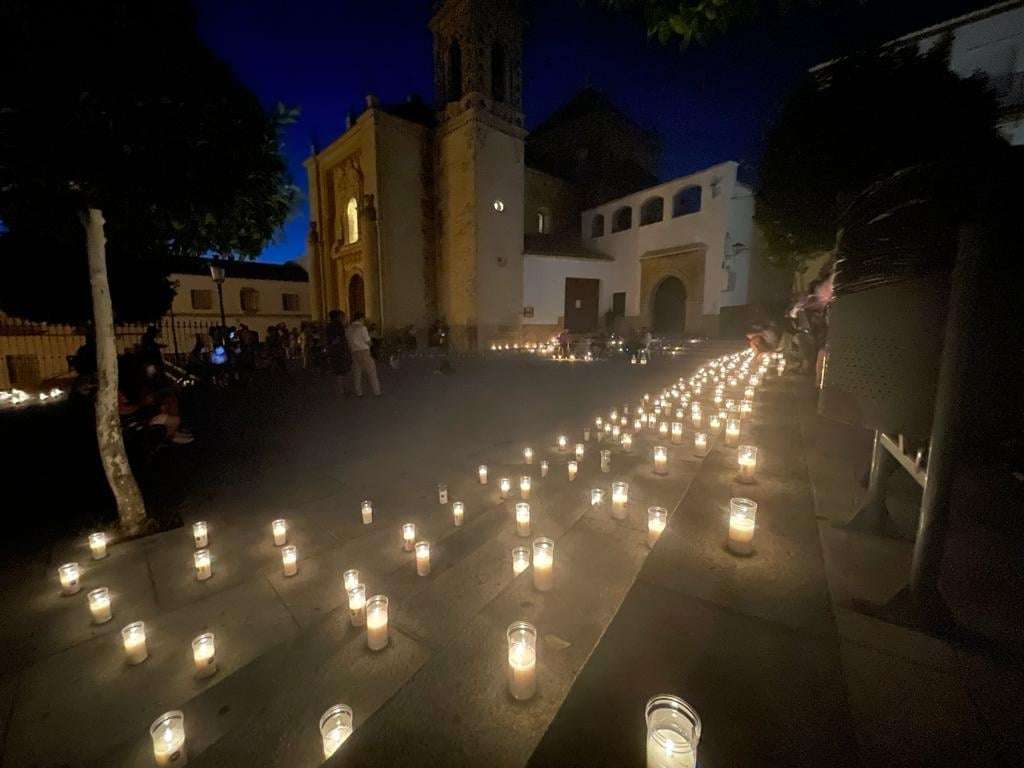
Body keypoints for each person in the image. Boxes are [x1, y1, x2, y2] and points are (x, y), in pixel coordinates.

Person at [346, 311, 381, 396]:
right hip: (364, 351)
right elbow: (368, 342)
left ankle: (358, 392)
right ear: (361, 318)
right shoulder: (362, 328)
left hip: (354, 352)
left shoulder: (348, 329)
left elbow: (347, 341)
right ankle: (377, 392)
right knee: (372, 372)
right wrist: (372, 343)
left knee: (357, 373)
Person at [324, 309, 352, 395]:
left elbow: (328, 340)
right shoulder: (338, 326)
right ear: (338, 317)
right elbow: (340, 338)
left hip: (334, 351)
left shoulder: (328, 326)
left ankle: (341, 390)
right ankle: (346, 389)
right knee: (345, 371)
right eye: (342, 316)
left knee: (338, 372)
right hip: (341, 351)